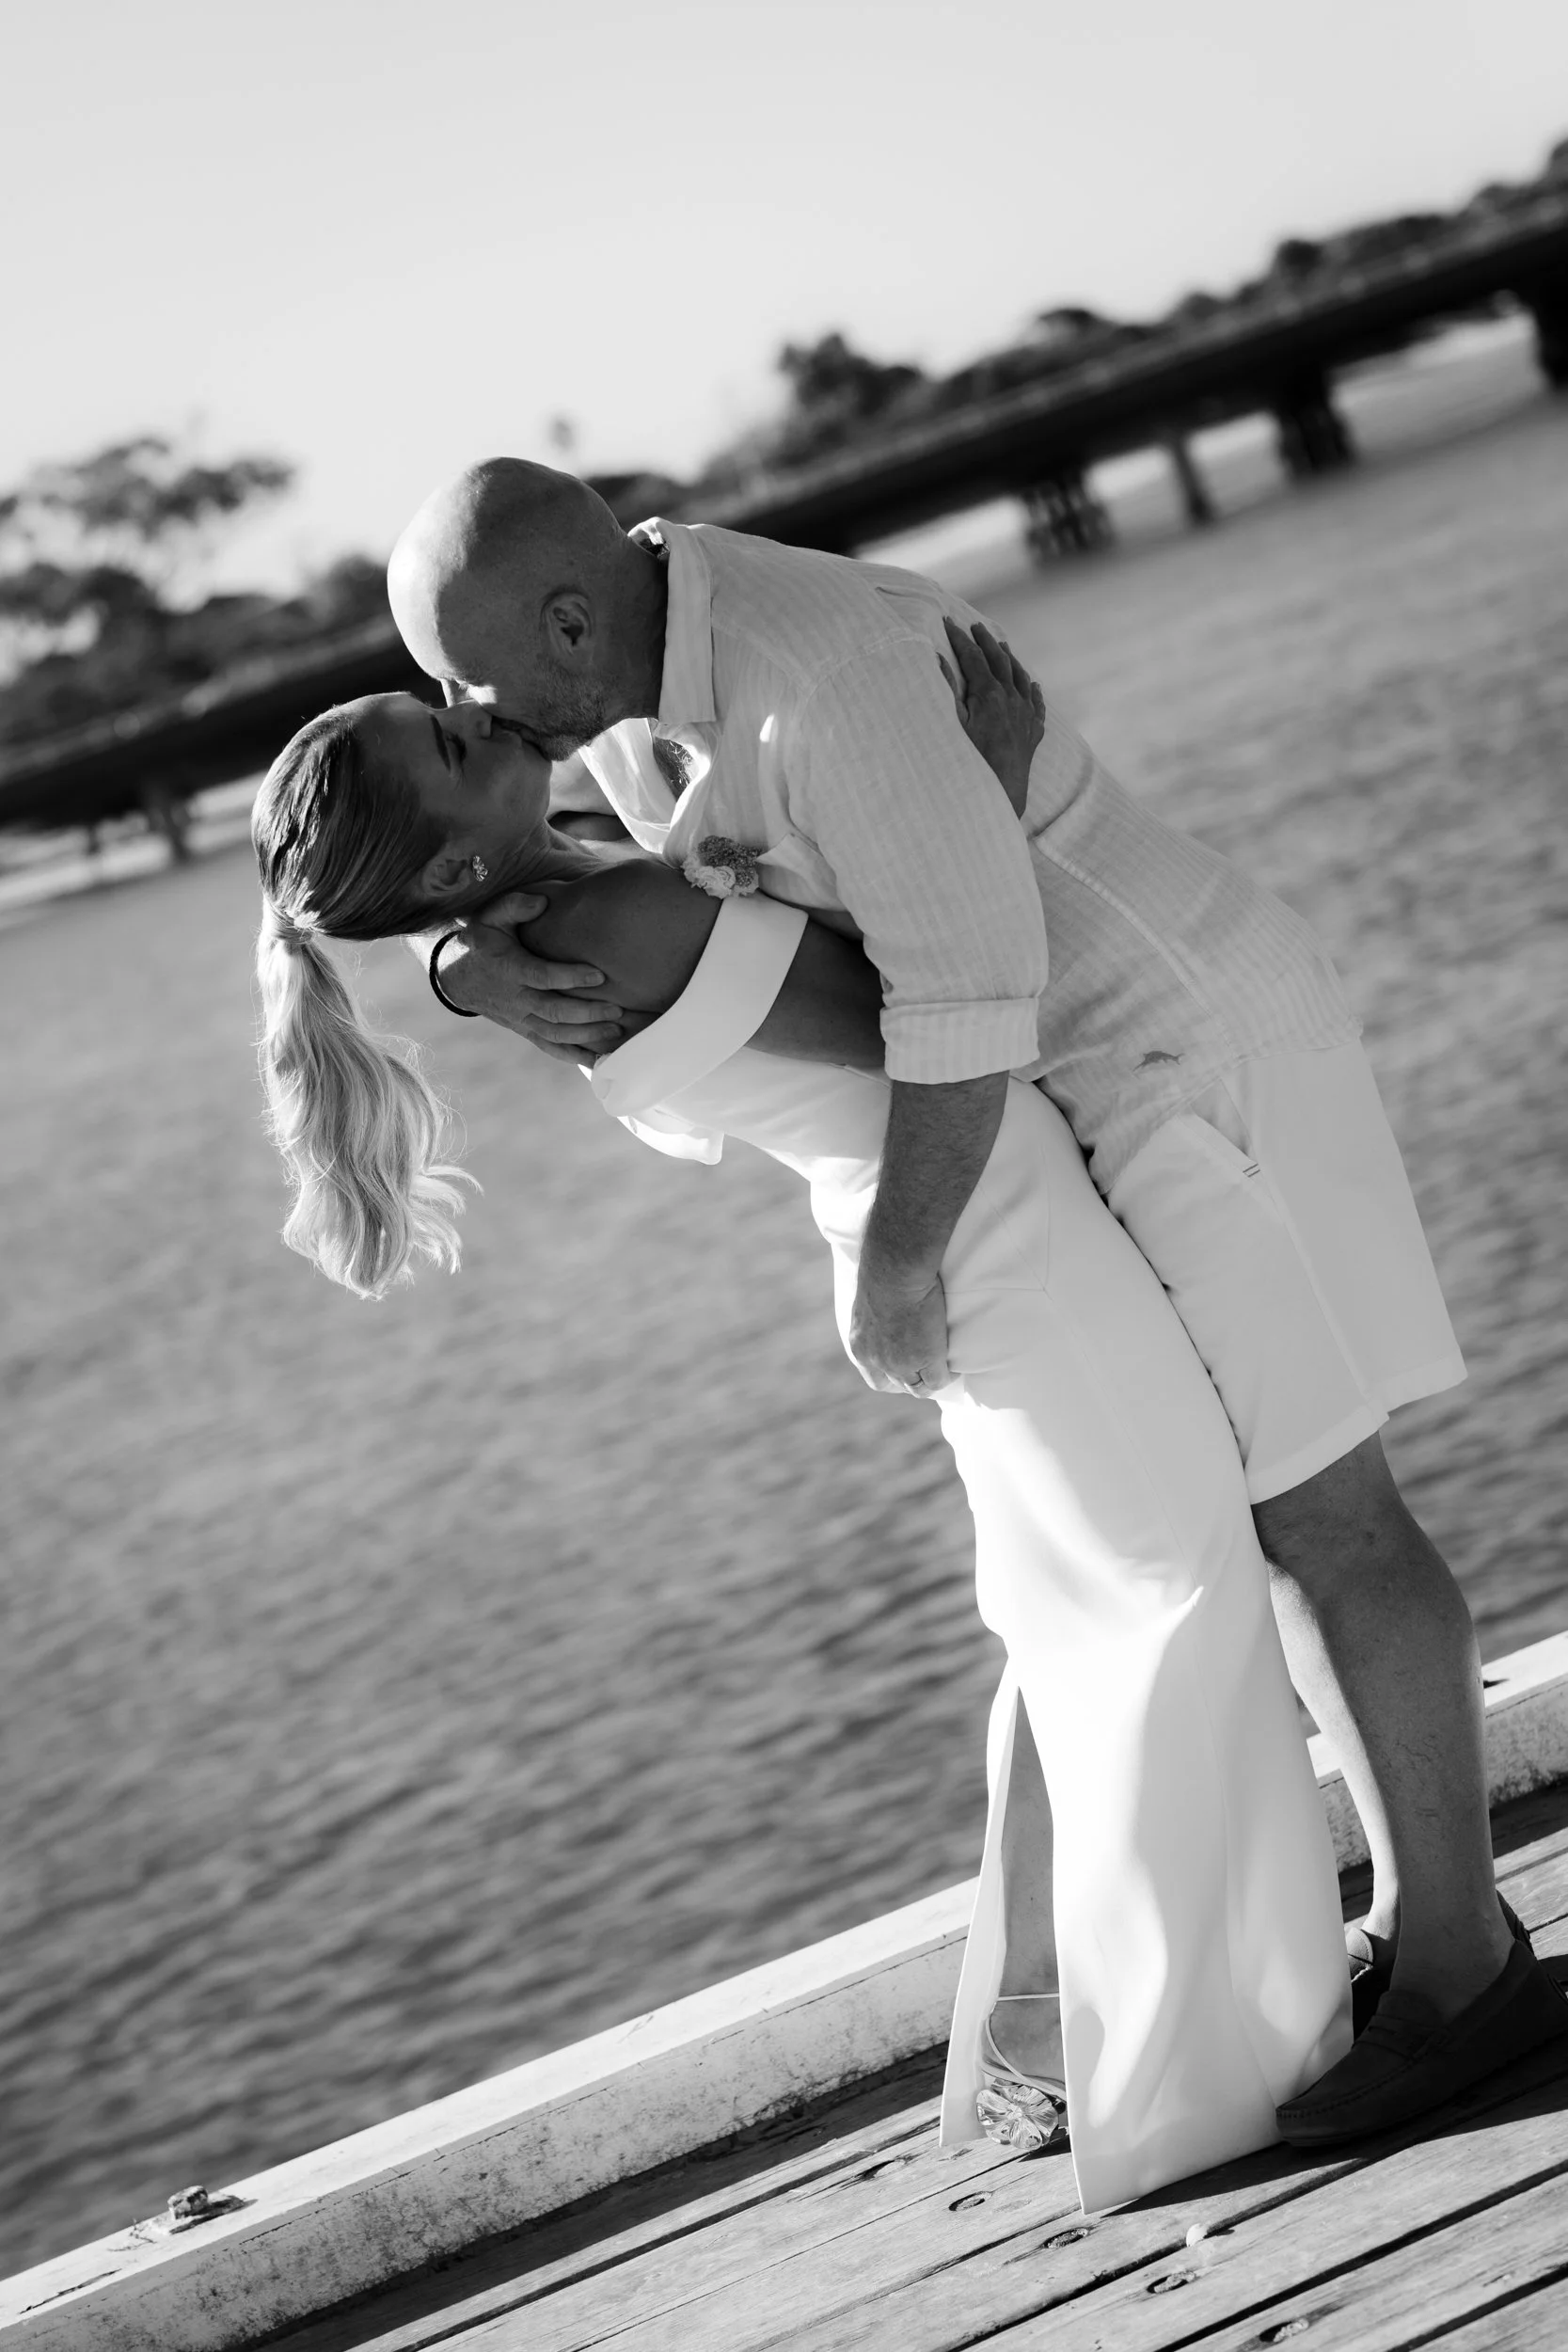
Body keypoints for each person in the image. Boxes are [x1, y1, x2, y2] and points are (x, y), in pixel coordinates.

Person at [382, 459, 1566, 2142]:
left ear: (570, 620)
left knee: (1326, 1512)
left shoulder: (817, 677)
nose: (463, 711)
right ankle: (1416, 1933)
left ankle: (1463, 1969)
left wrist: (900, 1264)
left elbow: (958, 997)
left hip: (1172, 1051)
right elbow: (695, 910)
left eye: (465, 682)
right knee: (1262, 1523)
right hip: (1084, 1093)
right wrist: (452, 952)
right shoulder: (638, 697)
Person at [249, 653, 1353, 2215]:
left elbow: (415, 910)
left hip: (978, 1235)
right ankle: (1205, 2058)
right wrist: (974, 792)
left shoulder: (525, 913)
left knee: (1068, 1629)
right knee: (1173, 1603)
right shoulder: (592, 923)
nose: (487, 714)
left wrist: (443, 967)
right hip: (996, 1247)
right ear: (441, 861)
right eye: (450, 734)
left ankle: (1071, 2023)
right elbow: (949, 1015)